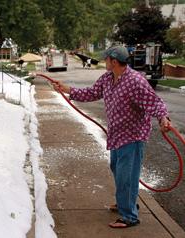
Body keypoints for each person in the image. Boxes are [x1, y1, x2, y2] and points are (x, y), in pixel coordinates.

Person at [51, 45, 171, 228]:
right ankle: (127, 202)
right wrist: (66, 89)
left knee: (126, 176)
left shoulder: (135, 81)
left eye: (106, 59)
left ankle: (129, 216)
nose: (104, 61)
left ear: (113, 62)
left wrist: (163, 119)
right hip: (117, 135)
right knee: (118, 169)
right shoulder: (108, 78)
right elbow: (91, 93)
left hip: (132, 137)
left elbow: (155, 103)